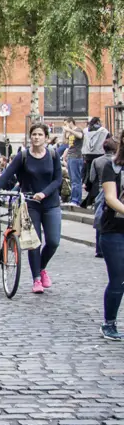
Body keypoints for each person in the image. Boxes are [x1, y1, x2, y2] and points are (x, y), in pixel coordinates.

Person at [0, 123, 63, 294]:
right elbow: (7, 174)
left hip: (50, 203)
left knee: (53, 242)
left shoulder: (53, 155)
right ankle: (36, 280)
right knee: (34, 243)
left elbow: (58, 180)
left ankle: (41, 268)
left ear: (46, 138)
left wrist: (44, 193)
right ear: (30, 137)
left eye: (40, 134)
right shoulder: (23, 156)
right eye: (34, 134)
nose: (36, 137)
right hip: (30, 204)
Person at [98, 131, 124, 341]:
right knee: (118, 278)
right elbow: (110, 198)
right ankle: (109, 323)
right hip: (114, 229)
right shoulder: (112, 167)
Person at [89, 138, 117, 258]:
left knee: (99, 220)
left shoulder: (97, 161)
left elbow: (91, 178)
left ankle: (99, 249)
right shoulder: (116, 162)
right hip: (116, 191)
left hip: (101, 191)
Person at [81, 117, 110, 206]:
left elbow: (84, 142)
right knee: (98, 177)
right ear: (98, 122)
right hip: (99, 154)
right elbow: (108, 142)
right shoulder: (104, 131)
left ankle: (87, 187)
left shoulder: (86, 131)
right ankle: (91, 197)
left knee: (90, 175)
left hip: (88, 155)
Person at [62, 117, 84, 207]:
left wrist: (69, 130)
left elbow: (80, 136)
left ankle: (76, 200)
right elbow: (65, 142)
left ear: (71, 122)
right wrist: (65, 132)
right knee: (72, 179)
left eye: (66, 123)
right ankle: (72, 199)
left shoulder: (78, 130)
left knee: (76, 180)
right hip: (70, 156)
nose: (65, 126)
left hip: (76, 156)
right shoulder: (70, 132)